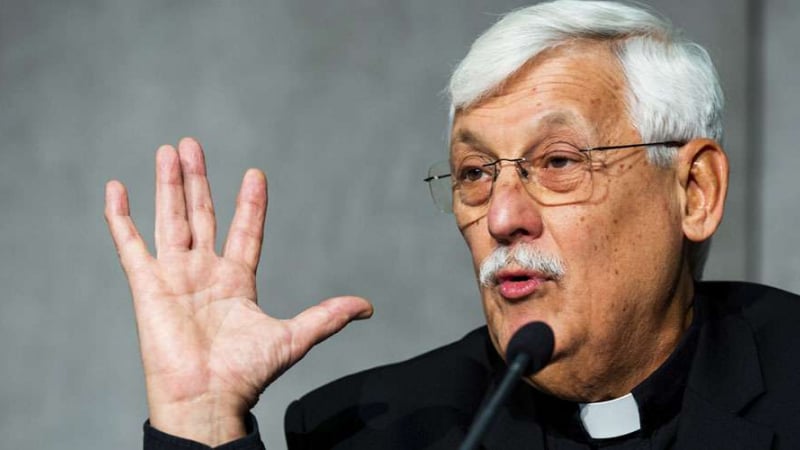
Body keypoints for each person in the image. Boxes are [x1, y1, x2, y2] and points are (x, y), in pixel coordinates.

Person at [105, 1, 800, 449]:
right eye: (474, 172)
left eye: (559, 162)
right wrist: (200, 418)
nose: (501, 217)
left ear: (695, 192)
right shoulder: (373, 431)